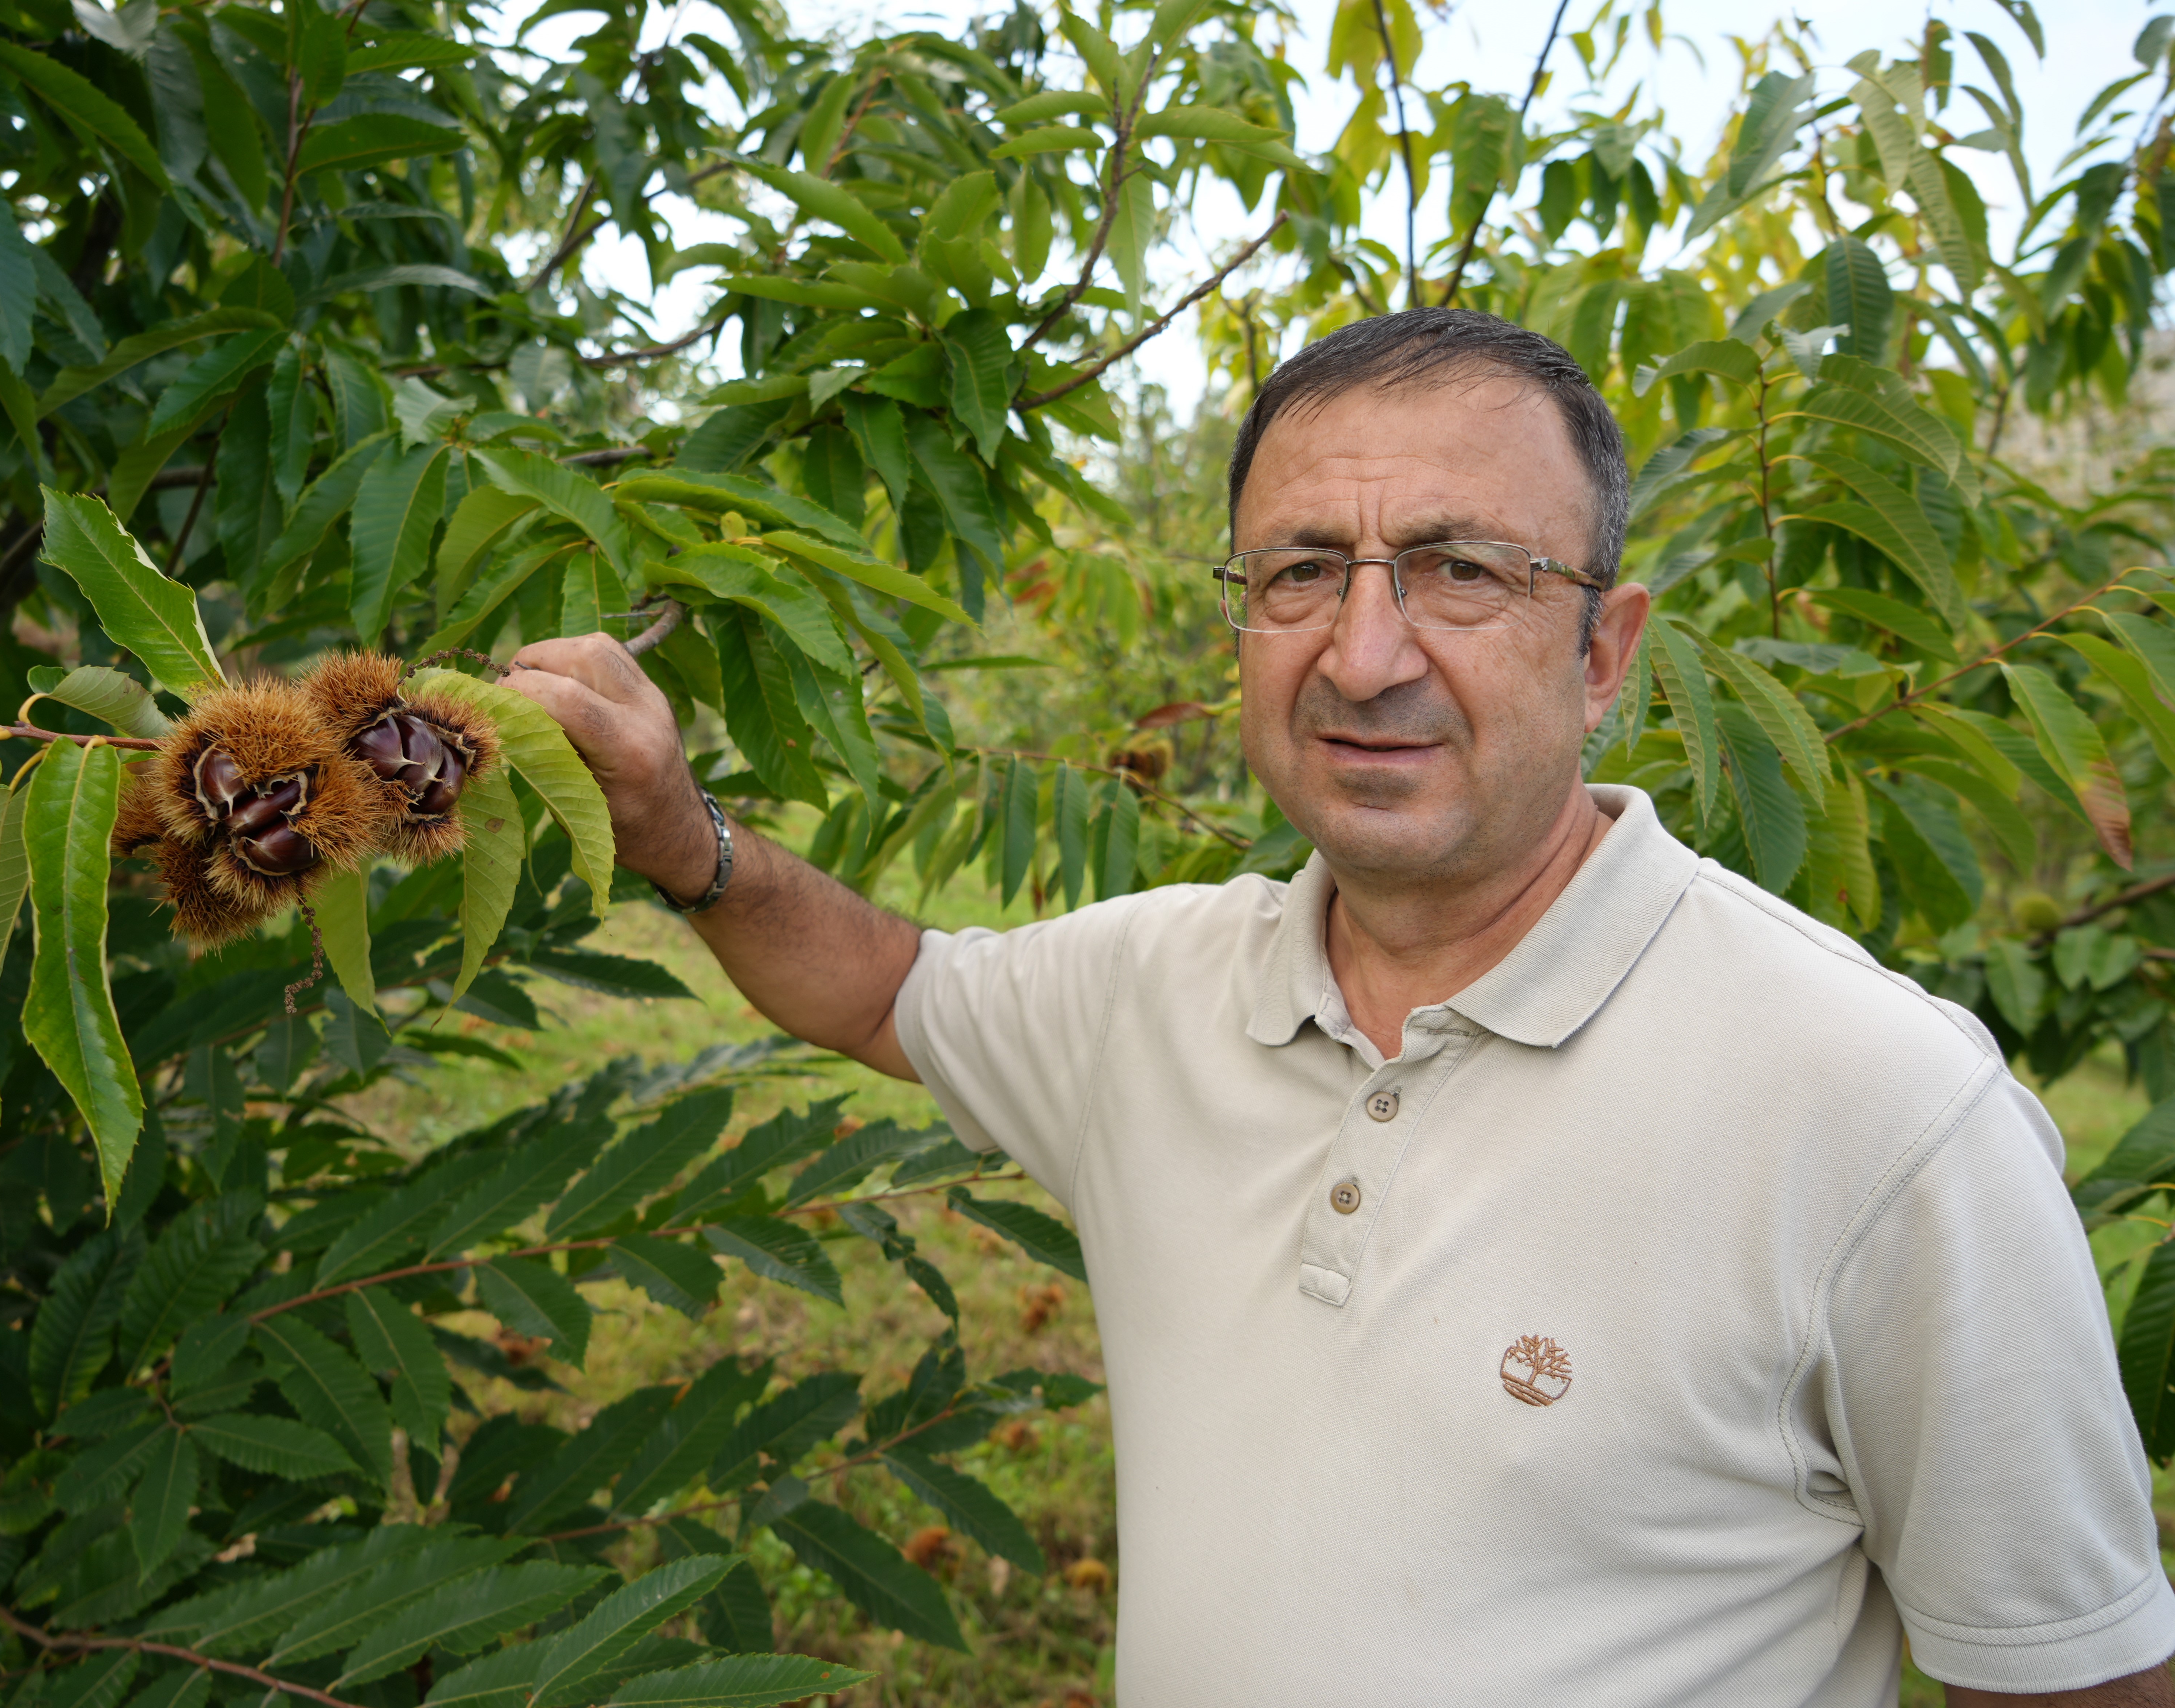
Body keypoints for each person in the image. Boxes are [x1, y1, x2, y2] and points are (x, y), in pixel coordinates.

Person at [504, 307, 2175, 1707]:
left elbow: (2074, 1675)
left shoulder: (1879, 1111)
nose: (1365, 653)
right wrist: (680, 833)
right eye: (1303, 570)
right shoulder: (1150, 989)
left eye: (1460, 570)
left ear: (1605, 654)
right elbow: (889, 983)